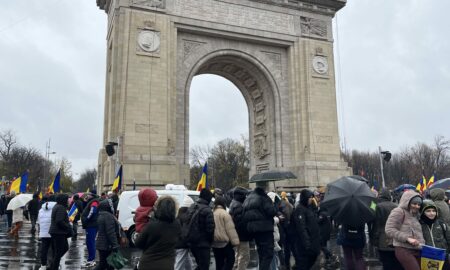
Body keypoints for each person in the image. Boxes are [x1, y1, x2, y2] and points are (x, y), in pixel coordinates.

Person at [135, 196, 181, 270]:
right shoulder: (177, 224)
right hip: (168, 264)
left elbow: (138, 243)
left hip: (148, 264)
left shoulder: (152, 225)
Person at [385, 190, 425, 270]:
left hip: (417, 249)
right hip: (403, 249)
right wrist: (407, 238)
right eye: (414, 203)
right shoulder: (399, 211)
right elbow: (389, 229)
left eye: (419, 204)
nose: (417, 206)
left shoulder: (416, 215)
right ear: (407, 202)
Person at [242, 182, 276, 270]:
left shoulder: (248, 198)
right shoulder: (263, 197)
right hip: (264, 229)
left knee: (261, 254)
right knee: (268, 254)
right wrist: (275, 205)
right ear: (264, 187)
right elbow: (271, 212)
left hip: (253, 231)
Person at [371, 189, 403, 270]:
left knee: (386, 263)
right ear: (389, 196)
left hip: (382, 238)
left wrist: (374, 239)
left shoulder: (376, 205)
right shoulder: (397, 206)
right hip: (395, 238)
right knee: (396, 262)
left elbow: (373, 221)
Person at [291, 189, 320, 270]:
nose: (311, 199)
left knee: (311, 260)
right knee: (304, 264)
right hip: (305, 244)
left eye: (311, 197)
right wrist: (307, 244)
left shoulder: (308, 208)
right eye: (309, 197)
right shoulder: (300, 209)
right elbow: (301, 228)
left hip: (313, 241)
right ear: (305, 198)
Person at [187, 188, 215, 270]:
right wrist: (210, 242)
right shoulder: (207, 210)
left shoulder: (192, 206)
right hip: (203, 244)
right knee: (204, 266)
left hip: (192, 242)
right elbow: (210, 229)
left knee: (200, 265)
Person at [420, 199, 450, 270]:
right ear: (423, 212)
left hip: (443, 257)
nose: (432, 213)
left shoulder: (441, 223)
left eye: (434, 211)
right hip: (427, 258)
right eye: (428, 211)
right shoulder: (419, 225)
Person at [212, 195, 240, 270]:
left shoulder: (212, 213)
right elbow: (230, 229)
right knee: (230, 260)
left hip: (214, 243)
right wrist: (235, 242)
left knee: (219, 263)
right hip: (224, 242)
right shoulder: (225, 214)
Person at [95, 198, 121, 270]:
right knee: (103, 265)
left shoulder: (102, 214)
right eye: (111, 206)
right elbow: (110, 232)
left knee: (109, 265)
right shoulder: (108, 216)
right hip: (106, 245)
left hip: (103, 244)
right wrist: (115, 245)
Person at [48, 193, 72, 270]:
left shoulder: (57, 206)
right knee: (59, 252)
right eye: (67, 199)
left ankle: (52, 265)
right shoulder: (61, 207)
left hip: (56, 232)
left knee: (61, 250)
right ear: (63, 200)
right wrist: (68, 227)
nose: (68, 201)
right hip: (58, 232)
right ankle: (53, 267)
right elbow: (59, 221)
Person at [229, 187, 250, 270]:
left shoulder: (234, 203)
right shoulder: (239, 206)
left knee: (238, 255)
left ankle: (235, 268)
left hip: (237, 235)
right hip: (242, 236)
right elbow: (241, 223)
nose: (246, 197)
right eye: (244, 195)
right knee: (244, 256)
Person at [174, 195, 195, 270]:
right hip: (182, 244)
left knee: (188, 264)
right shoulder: (187, 216)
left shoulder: (178, 214)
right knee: (178, 266)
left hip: (177, 242)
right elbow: (185, 231)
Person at [81, 192, 100, 268]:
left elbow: (92, 212)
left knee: (90, 242)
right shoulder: (92, 201)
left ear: (92, 195)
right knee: (90, 242)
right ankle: (90, 259)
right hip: (91, 225)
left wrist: (86, 219)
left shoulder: (94, 202)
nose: (87, 195)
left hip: (91, 225)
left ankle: (91, 260)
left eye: (88, 194)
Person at [38, 196, 57, 270]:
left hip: (44, 232)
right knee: (54, 249)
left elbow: (39, 222)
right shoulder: (56, 208)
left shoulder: (41, 210)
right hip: (53, 232)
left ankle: (43, 265)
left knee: (44, 250)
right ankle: (54, 264)